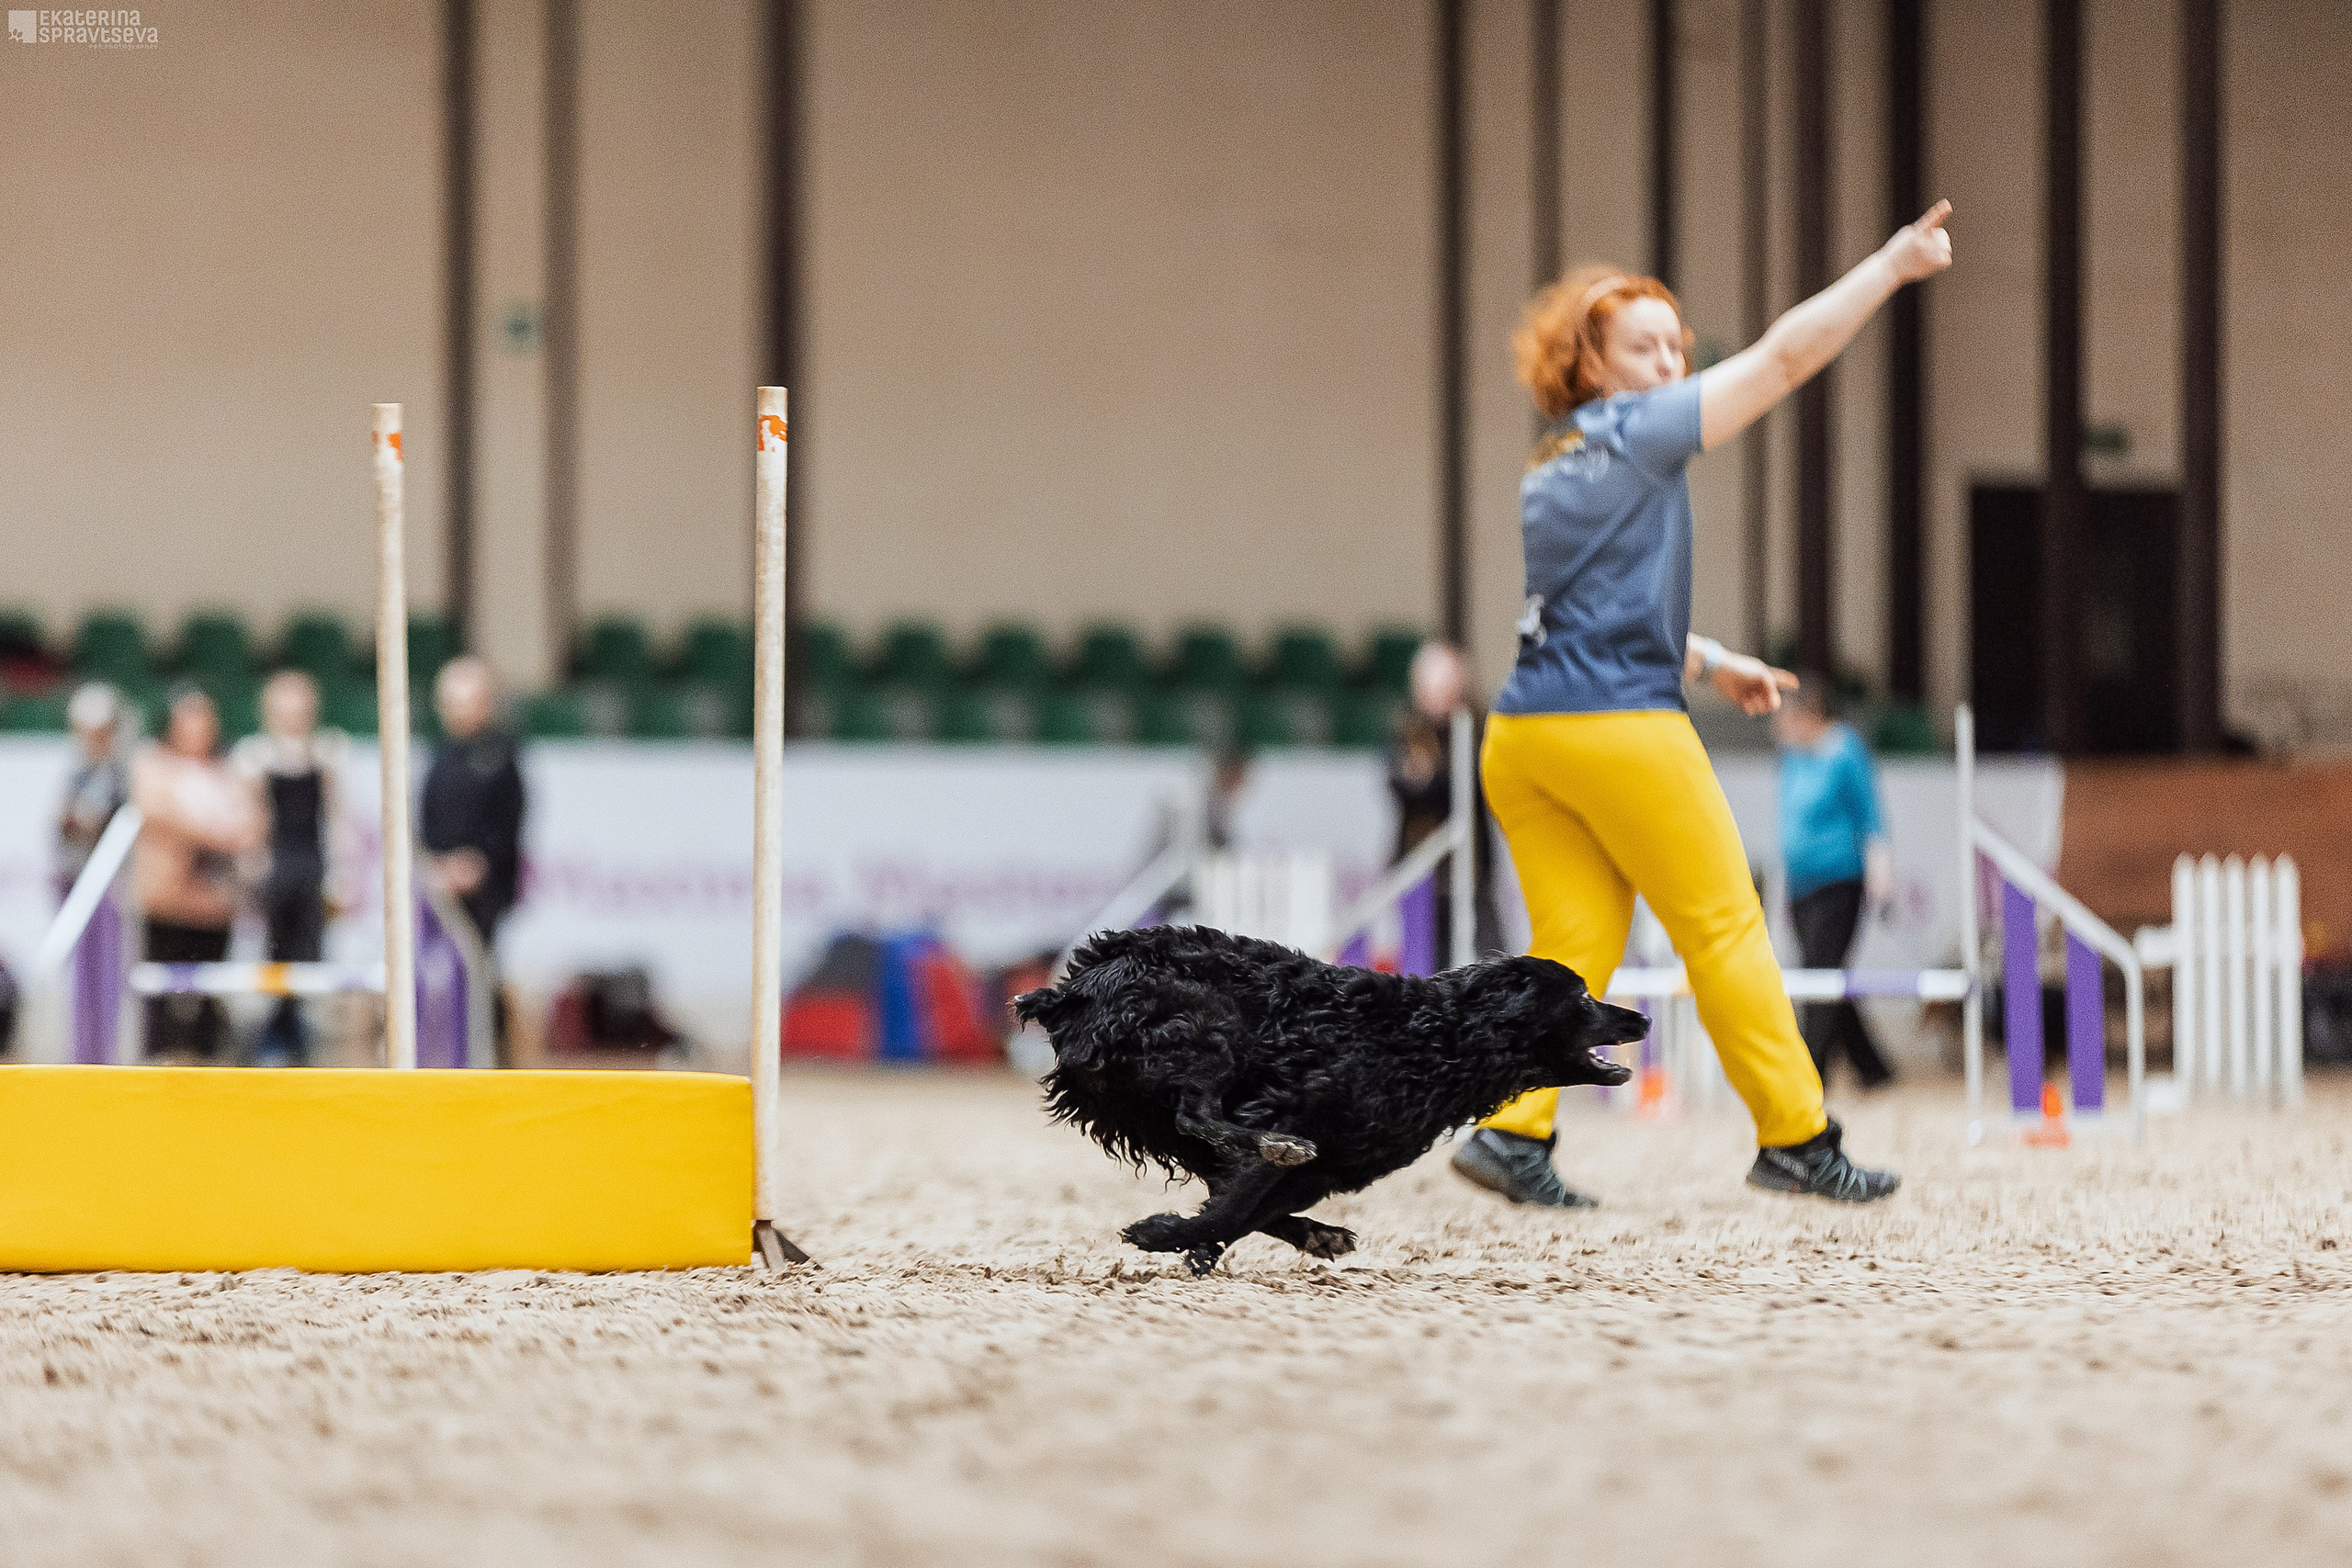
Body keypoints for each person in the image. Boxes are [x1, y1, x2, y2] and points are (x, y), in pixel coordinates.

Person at [1449, 200, 1953, 1208]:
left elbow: (1585, 611)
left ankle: (1511, 1131)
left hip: (1525, 736)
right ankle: (1797, 1136)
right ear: (1591, 366)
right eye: (1644, 348)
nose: (1671, 364)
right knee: (1723, 926)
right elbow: (1778, 362)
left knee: (1571, 946)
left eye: (1677, 346)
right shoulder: (1641, 434)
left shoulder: (1550, 462)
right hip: (1618, 731)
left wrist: (1710, 656)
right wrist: (1889, 269)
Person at [1773, 677, 1897, 1089]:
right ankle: (1872, 1067)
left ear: (1810, 715)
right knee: (1825, 973)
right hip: (1801, 884)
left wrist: (1881, 869)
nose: (1779, 727)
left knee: (1820, 975)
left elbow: (1870, 815)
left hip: (1840, 880)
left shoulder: (1845, 750)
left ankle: (1811, 1074)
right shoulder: (1793, 756)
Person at [130, 685, 263, 1063]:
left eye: (203, 718)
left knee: (209, 993)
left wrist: (227, 837)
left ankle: (207, 1064)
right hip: (168, 899)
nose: (196, 728)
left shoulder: (227, 769)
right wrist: (216, 834)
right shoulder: (154, 762)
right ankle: (159, 1065)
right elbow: (155, 812)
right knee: (161, 994)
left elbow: (251, 822)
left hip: (214, 902)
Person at [232, 671, 349, 1066]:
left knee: (309, 949)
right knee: (273, 947)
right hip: (276, 865)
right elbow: (252, 818)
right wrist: (251, 863)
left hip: (310, 863)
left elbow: (334, 819)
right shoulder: (256, 756)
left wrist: (341, 874)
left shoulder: (326, 753)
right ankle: (275, 1024)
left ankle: (297, 1023)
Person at [1383, 641, 1498, 961]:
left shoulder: (1477, 728)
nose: (1444, 698)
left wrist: (1432, 778)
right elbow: (1403, 784)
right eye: (1436, 688)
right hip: (1420, 869)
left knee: (1491, 958)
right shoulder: (1406, 730)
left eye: (1450, 687)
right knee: (1423, 965)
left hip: (1474, 870)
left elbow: (1479, 784)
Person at [420, 655, 526, 964]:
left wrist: (478, 863)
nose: (456, 710)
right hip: (440, 882)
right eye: (451, 702)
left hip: (485, 886)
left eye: (465, 701)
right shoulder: (440, 753)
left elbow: (509, 821)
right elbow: (429, 815)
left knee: (476, 967)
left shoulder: (501, 755)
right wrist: (437, 863)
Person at [56, 682, 130, 896]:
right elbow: (63, 822)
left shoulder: (119, 774)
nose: (92, 740)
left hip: (107, 875)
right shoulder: (75, 771)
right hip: (73, 869)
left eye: (100, 733)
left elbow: (105, 823)